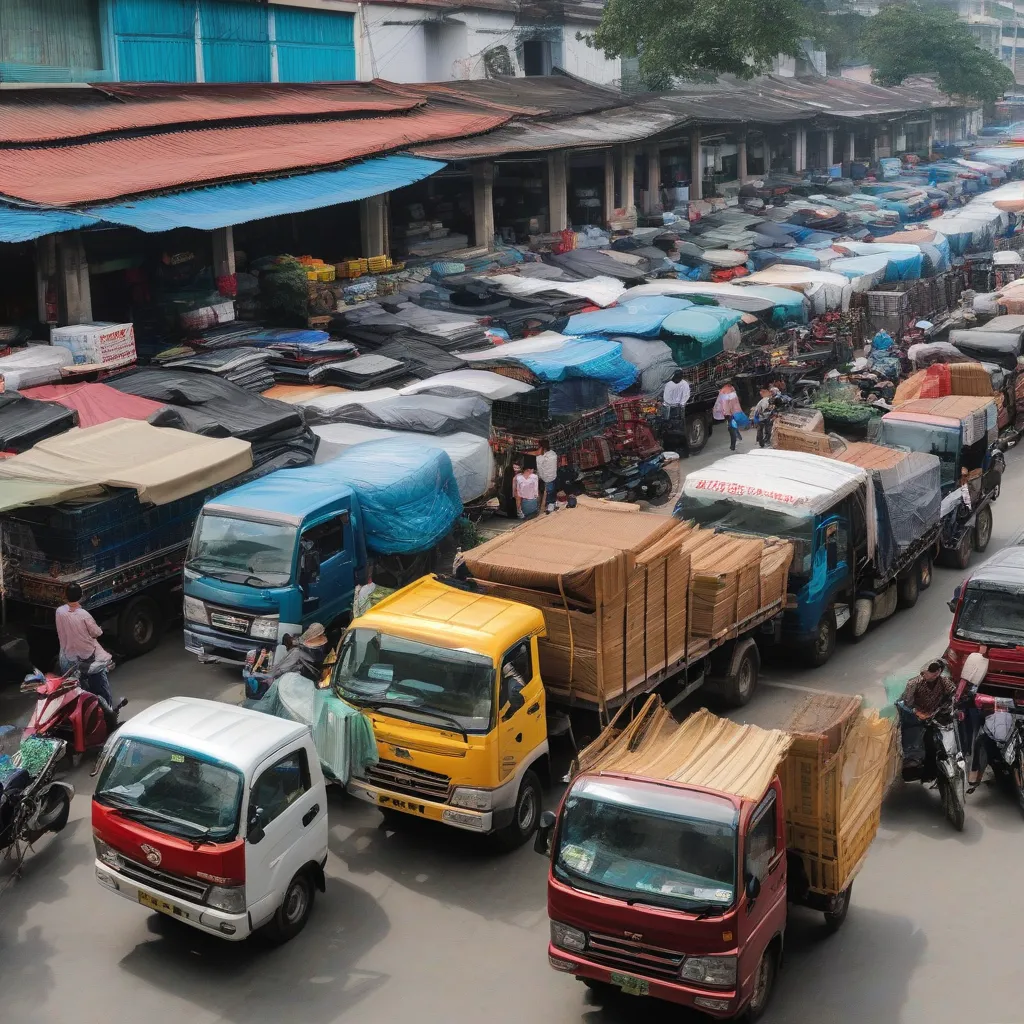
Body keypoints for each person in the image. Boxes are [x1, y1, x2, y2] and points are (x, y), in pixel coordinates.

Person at [55, 583, 114, 709]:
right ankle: (108, 710)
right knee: (100, 683)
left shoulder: (59, 612)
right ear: (81, 596)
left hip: (66, 658)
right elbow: (97, 633)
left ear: (65, 596)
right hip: (86, 657)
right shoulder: (84, 615)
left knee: (76, 690)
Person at [898, 660, 955, 767]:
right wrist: (918, 713)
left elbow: (953, 693)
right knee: (922, 742)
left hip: (935, 715)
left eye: (936, 672)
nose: (934, 675)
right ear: (924, 673)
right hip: (917, 717)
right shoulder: (914, 684)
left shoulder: (943, 681)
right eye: (931, 672)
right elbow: (905, 703)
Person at [662, 370, 691, 457]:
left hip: (671, 409)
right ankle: (682, 452)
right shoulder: (684, 383)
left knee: (669, 431)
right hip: (679, 408)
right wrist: (681, 404)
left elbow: (667, 399)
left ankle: (670, 451)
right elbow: (686, 396)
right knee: (680, 431)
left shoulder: (669, 385)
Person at [713, 382, 742, 448]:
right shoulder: (732, 389)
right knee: (733, 426)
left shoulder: (724, 393)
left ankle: (733, 445)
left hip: (729, 413)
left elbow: (724, 404)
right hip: (734, 411)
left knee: (731, 429)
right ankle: (738, 437)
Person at [536, 447, 559, 513]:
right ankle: (551, 503)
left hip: (547, 476)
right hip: (548, 476)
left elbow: (540, 467)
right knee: (549, 490)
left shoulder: (545, 457)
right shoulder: (552, 454)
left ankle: (550, 504)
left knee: (549, 490)